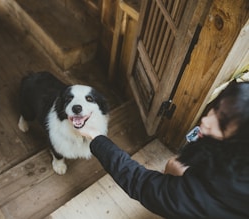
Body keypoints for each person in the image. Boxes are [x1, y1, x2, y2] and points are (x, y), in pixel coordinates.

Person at [78, 81, 249, 219]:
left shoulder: (208, 195)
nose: (206, 120)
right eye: (216, 108)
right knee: (174, 166)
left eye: (223, 123)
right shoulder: (235, 157)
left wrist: (96, 137)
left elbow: (141, 183)